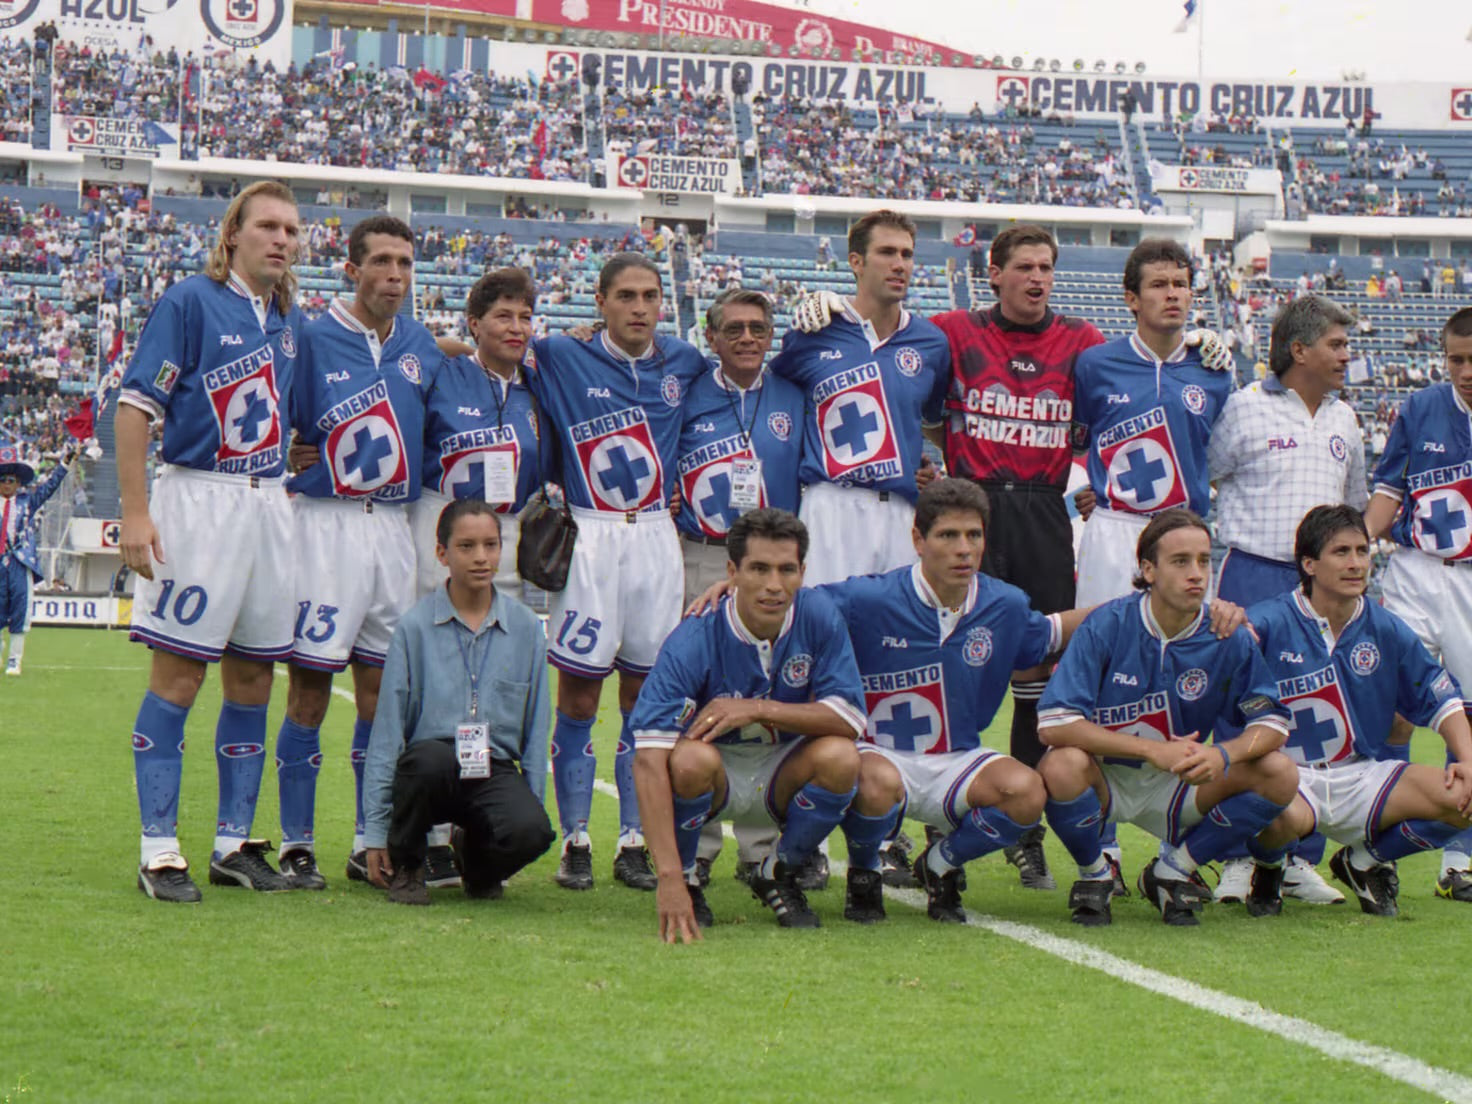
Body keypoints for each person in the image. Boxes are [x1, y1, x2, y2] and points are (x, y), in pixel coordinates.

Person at [116, 180, 305, 902]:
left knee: (254, 678)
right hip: (200, 498)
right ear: (233, 235)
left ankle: (233, 842)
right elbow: (135, 408)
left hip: (269, 506)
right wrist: (136, 514)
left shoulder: (287, 319)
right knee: (180, 678)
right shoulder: (190, 301)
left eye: (291, 229)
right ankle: (159, 848)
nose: (282, 239)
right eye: (267, 227)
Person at [821, 479, 1092, 924]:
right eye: (948, 536)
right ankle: (865, 872)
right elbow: (793, 608)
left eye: (974, 535)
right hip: (880, 756)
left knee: (1026, 792)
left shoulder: (1004, 604)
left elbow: (1053, 632)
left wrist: (1144, 602)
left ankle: (940, 865)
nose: (964, 549)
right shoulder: (866, 599)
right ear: (918, 539)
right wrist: (729, 593)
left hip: (957, 759)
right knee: (868, 780)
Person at [524, 253, 707, 892]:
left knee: (646, 699)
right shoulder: (559, 355)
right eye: (625, 296)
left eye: (650, 296)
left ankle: (634, 837)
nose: (639, 308)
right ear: (598, 302)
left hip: (657, 536)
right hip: (590, 536)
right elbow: (488, 346)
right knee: (577, 695)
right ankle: (576, 837)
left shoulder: (684, 363)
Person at [277, 214, 445, 892]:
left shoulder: (420, 343)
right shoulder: (311, 338)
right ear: (351, 269)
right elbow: (272, 408)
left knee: (381, 696)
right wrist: (288, 450)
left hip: (394, 532)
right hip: (327, 525)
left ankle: (366, 839)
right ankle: (296, 842)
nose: (395, 276)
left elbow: (449, 367)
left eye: (404, 264)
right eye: (380, 262)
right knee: (312, 689)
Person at [1037, 509, 1298, 927]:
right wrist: (1149, 750)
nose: (1196, 573)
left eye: (1203, 560)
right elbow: (1055, 724)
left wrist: (1224, 756)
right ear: (1148, 569)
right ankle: (1095, 873)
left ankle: (1172, 871)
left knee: (1280, 773)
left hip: (1181, 783)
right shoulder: (1107, 623)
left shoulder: (1227, 634)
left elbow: (1272, 724)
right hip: (1106, 780)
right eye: (1180, 562)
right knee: (1060, 764)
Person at [630, 508, 865, 939]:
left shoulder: (818, 614)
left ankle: (778, 871)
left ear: (803, 572)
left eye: (786, 570)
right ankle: (688, 876)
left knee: (841, 757)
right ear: (732, 571)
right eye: (758, 569)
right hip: (713, 772)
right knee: (687, 761)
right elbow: (647, 760)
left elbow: (848, 718)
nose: (773, 585)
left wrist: (757, 709)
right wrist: (666, 878)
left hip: (781, 769)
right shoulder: (694, 636)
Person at [1206, 293, 1367, 906]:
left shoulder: (1345, 419)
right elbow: (1207, 474)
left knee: (1310, 717)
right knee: (1239, 715)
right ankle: (1231, 857)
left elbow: (1349, 502)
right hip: (1250, 574)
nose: (1346, 356)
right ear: (1299, 349)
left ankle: (1295, 857)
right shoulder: (1243, 409)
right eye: (1337, 344)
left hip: (1316, 587)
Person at [1242, 505, 1472, 917]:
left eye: (1363, 551)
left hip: (1362, 773)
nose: (1356, 564)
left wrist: (1469, 760)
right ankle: (1270, 867)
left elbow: (1443, 700)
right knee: (1270, 810)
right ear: (1309, 564)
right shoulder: (1266, 621)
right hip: (1288, 776)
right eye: (1342, 552)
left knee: (1467, 797)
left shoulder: (1386, 627)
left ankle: (1363, 861)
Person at [361, 498, 554, 905]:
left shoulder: (525, 628)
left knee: (533, 831)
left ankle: (477, 862)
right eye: (466, 547)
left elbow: (537, 729)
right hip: (429, 772)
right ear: (442, 554)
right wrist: (375, 833)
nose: (481, 558)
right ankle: (410, 865)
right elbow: (388, 732)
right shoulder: (414, 628)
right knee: (428, 761)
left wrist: (531, 806)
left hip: (492, 768)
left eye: (491, 545)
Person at [675, 288, 806, 887]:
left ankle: (761, 846)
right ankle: (697, 843)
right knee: (696, 694)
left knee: (770, 693)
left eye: (758, 327)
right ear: (712, 336)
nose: (748, 338)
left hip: (771, 566)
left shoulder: (792, 393)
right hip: (702, 555)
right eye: (734, 329)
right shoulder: (687, 388)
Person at [770, 209, 949, 587]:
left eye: (907, 254)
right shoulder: (814, 332)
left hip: (901, 510)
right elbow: (771, 399)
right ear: (856, 261)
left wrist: (917, 459)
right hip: (832, 504)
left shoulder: (931, 343)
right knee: (822, 622)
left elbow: (931, 421)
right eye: (887, 252)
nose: (899, 264)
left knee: (895, 633)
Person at [1365, 306, 1472, 901]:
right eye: (1455, 359)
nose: (1464, 371)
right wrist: (1353, 542)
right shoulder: (1421, 406)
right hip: (1416, 570)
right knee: (1396, 708)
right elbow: (1389, 489)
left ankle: (1459, 857)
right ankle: (1375, 850)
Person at [1072, 239, 1236, 607]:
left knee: (1184, 652)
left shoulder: (1215, 372)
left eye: (1180, 284)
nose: (1172, 294)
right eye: (1159, 285)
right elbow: (1077, 444)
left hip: (1184, 531)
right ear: (1132, 298)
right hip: (1115, 529)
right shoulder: (1095, 365)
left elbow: (1220, 456)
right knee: (1103, 643)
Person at [413, 268, 543, 602]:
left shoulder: (539, 388)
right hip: (436, 528)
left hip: (506, 532)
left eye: (525, 317)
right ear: (474, 323)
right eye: (503, 316)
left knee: (499, 644)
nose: (516, 328)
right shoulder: (443, 372)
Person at [0, 442, 76, 675]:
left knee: (20, 610)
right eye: (1, 478)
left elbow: (49, 488)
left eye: (10, 479)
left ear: (19, 482)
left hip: (19, 562)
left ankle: (14, 660)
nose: (5, 483)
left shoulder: (26, 502)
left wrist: (64, 464)